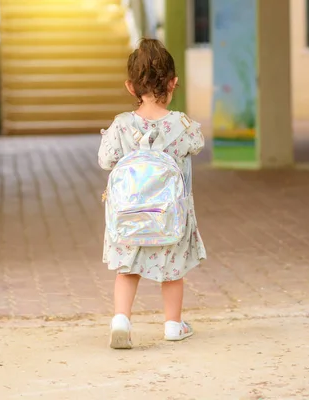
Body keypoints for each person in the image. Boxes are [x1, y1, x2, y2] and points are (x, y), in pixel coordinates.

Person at [98, 38, 207, 349]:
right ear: (173, 83)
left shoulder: (120, 126)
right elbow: (196, 146)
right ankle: (173, 324)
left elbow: (106, 161)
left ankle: (121, 319)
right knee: (172, 271)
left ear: (130, 87)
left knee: (127, 269)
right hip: (169, 217)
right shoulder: (183, 125)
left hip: (130, 216)